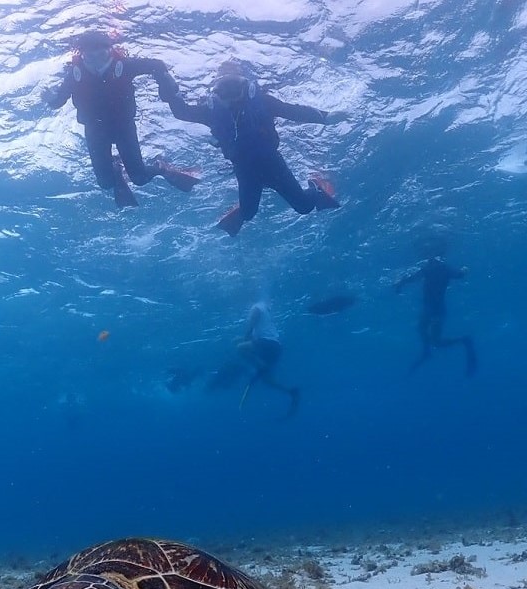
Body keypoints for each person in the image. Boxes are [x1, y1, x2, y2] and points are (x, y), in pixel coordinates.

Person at [166, 63, 349, 235]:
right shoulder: (209, 111)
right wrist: (167, 84)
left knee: (304, 207)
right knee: (247, 214)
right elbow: (181, 112)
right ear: (215, 92)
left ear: (245, 86)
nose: (230, 95)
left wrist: (325, 117)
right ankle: (244, 208)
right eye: (224, 90)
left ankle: (316, 186)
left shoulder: (262, 102)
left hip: (272, 164)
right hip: (244, 169)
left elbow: (293, 111)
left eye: (234, 87)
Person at [42, 31, 199, 206]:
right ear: (82, 54)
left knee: (139, 178)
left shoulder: (124, 65)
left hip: (124, 127)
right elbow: (59, 100)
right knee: (105, 183)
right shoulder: (74, 74)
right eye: (90, 56)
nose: (97, 62)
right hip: (95, 130)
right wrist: (51, 99)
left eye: (101, 54)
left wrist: (167, 85)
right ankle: (116, 171)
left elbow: (156, 65)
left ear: (110, 51)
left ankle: (160, 167)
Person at [394, 256, 476, 375]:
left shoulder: (430, 268)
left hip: (435, 309)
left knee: (435, 341)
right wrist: (464, 269)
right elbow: (460, 275)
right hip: (433, 309)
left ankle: (465, 340)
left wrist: (400, 284)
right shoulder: (442, 268)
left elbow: (412, 278)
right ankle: (426, 352)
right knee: (422, 329)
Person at [237, 300, 299, 414]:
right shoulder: (266, 313)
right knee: (267, 380)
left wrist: (246, 336)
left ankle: (262, 366)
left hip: (268, 344)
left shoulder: (256, 306)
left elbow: (253, 320)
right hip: (274, 348)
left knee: (240, 348)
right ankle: (291, 392)